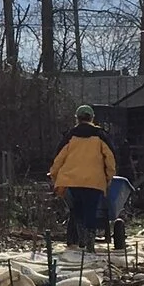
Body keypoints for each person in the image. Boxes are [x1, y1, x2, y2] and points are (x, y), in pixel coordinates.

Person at [48, 104, 116, 251]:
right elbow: (110, 158)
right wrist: (109, 176)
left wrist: (53, 174)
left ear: (77, 119)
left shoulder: (70, 136)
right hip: (94, 181)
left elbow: (59, 158)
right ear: (92, 118)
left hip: (72, 181)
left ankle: (81, 240)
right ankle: (90, 243)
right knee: (91, 210)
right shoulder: (100, 136)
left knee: (77, 210)